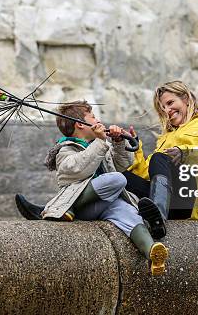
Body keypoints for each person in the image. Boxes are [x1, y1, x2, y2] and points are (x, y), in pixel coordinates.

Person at [16, 81, 198, 239]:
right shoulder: (167, 137)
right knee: (117, 175)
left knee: (161, 159)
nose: (168, 111)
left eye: (171, 103)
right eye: (163, 108)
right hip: (171, 201)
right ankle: (53, 210)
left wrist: (187, 154)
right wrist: (132, 144)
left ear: (186, 99)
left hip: (196, 199)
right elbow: (145, 175)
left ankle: (157, 214)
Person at [38, 100, 169, 276]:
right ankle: (72, 207)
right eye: (93, 117)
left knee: (128, 213)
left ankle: (152, 252)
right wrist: (101, 141)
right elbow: (77, 169)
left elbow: (122, 165)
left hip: (104, 203)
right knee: (116, 179)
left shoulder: (100, 145)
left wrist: (117, 143)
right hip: (79, 206)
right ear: (80, 124)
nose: (98, 120)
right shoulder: (66, 149)